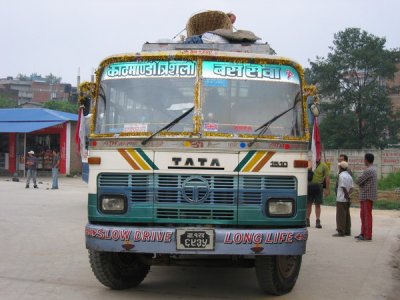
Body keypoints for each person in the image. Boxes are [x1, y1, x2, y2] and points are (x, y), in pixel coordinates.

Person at [355, 153, 377, 241]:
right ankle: (363, 233)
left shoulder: (368, 170)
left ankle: (367, 235)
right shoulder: (373, 169)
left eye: (364, 159)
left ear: (366, 160)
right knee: (364, 215)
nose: (363, 161)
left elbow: (358, 180)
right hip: (367, 195)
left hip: (366, 195)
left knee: (366, 216)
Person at [306, 159, 330, 228]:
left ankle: (318, 220)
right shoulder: (309, 163)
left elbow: (327, 178)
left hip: (319, 186)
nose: (317, 158)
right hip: (309, 186)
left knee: (318, 204)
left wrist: (327, 189)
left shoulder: (324, 166)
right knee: (308, 204)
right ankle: (307, 220)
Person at [333, 161, 353, 237]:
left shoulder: (341, 175)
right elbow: (352, 188)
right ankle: (347, 230)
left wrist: (346, 195)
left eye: (339, 166)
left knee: (340, 215)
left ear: (341, 167)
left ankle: (341, 231)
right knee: (347, 214)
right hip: (347, 199)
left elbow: (342, 186)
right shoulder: (349, 176)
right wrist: (349, 195)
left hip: (341, 198)